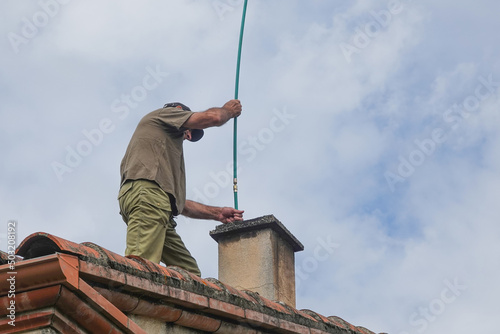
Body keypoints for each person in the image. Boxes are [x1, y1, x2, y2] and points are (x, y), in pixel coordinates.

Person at [118, 100, 244, 276]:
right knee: (139, 269)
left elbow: (178, 203)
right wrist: (229, 111)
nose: (188, 136)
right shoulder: (165, 114)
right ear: (178, 112)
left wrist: (217, 213)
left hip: (156, 205)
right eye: (188, 130)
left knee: (190, 274)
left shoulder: (161, 156)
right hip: (148, 199)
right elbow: (214, 117)